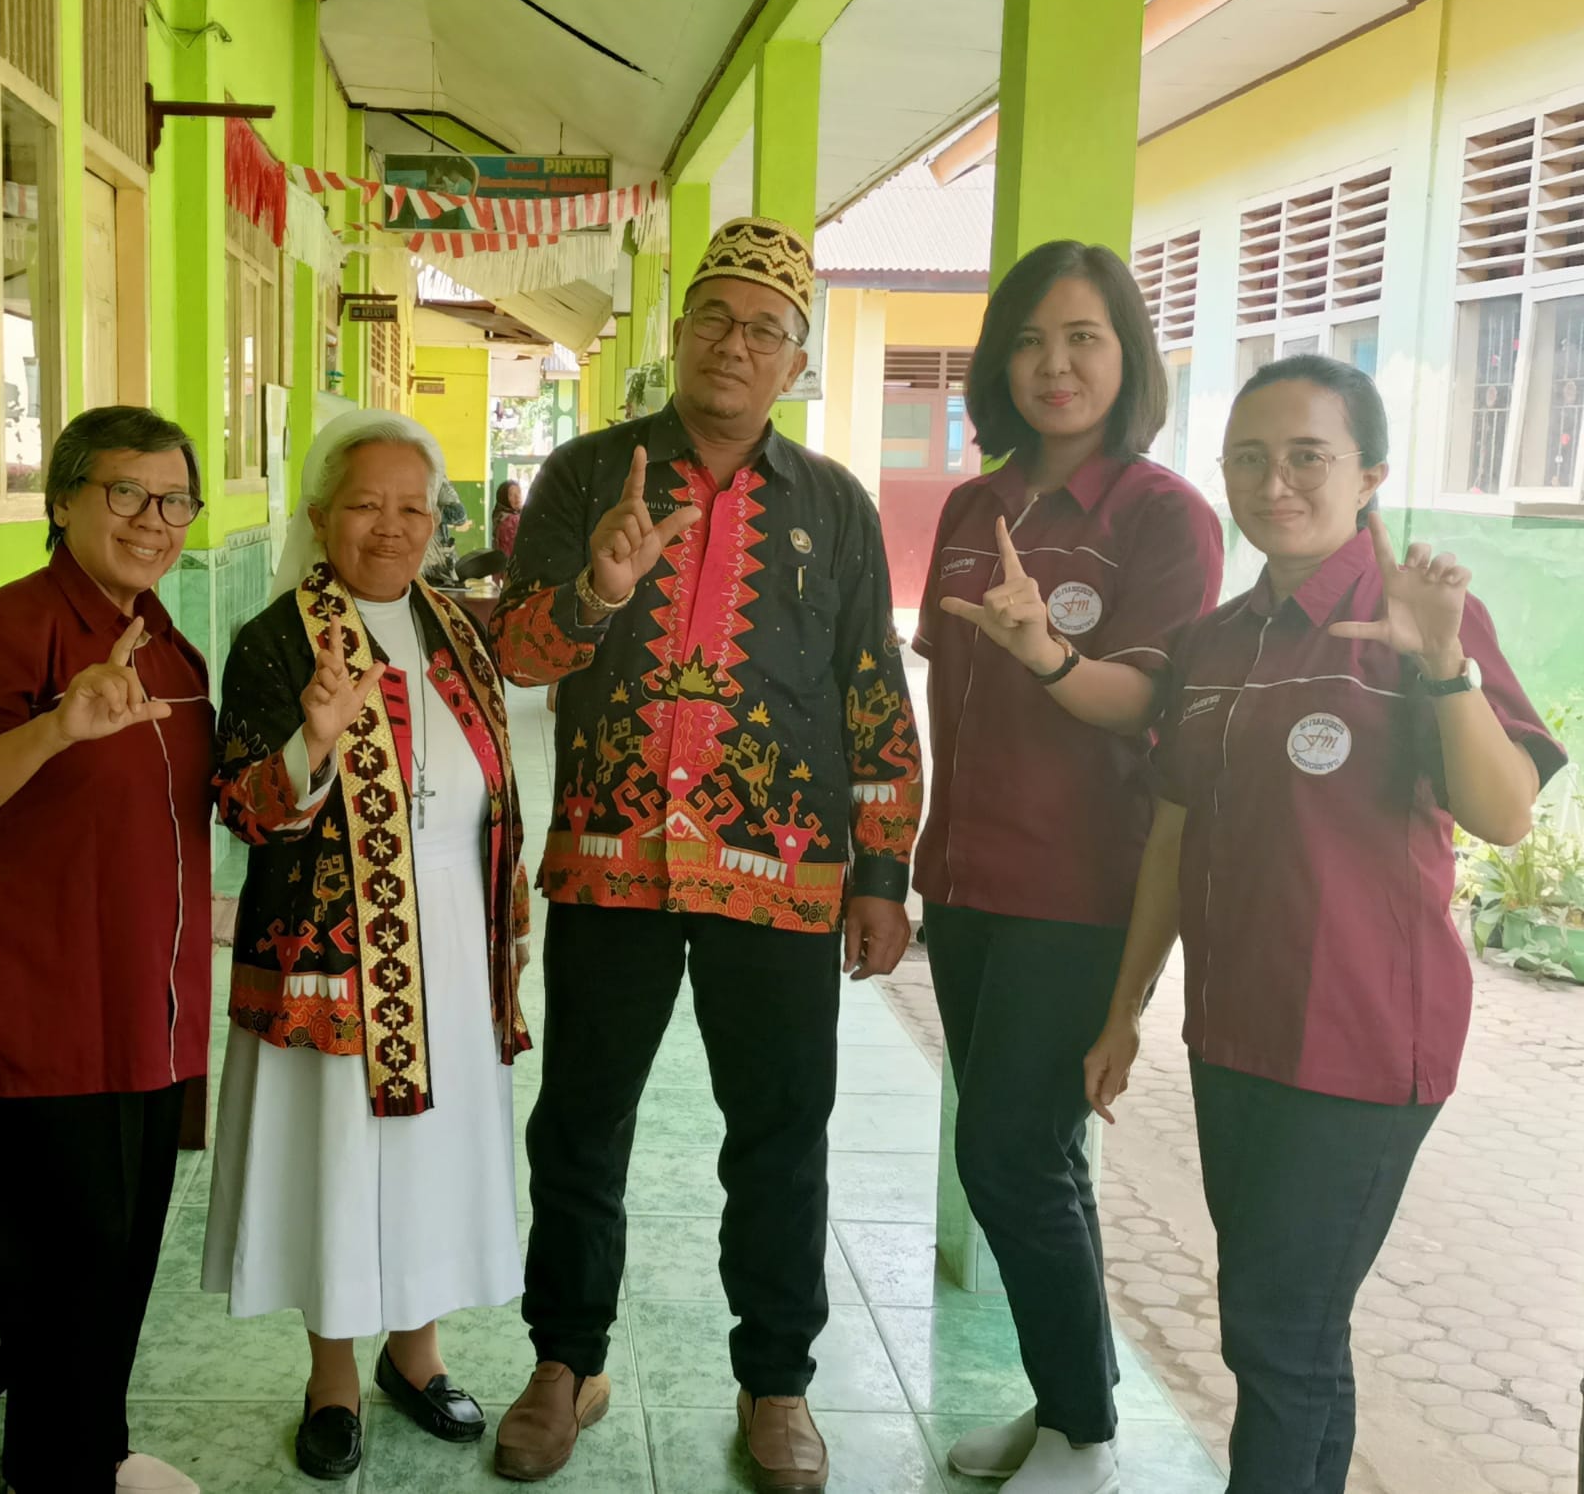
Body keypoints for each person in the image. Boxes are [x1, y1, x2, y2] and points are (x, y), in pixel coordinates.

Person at [488, 218, 921, 1491]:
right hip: (610, 857)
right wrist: (598, 590)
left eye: (764, 329)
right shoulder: (586, 475)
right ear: (677, 334)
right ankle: (563, 1362)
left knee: (780, 1137)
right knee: (580, 1124)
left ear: (796, 360)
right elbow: (517, 652)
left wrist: (884, 872)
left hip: (779, 873)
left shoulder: (835, 507)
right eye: (714, 319)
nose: (735, 345)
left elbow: (872, 692)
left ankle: (776, 1382)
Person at [1084, 356, 1566, 1494]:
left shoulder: (1421, 623)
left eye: (1308, 455)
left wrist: (1442, 665)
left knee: (1278, 1333)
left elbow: (1503, 813)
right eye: (1249, 458)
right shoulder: (1213, 642)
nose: (1276, 482)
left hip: (1360, 1043)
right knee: (1287, 1329)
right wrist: (1124, 1011)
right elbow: (1173, 838)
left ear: (1370, 476)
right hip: (1234, 1035)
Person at [913, 241, 1223, 1494]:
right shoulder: (971, 508)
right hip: (963, 880)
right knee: (1033, 1154)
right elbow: (945, 695)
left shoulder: (1161, 515)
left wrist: (1045, 652)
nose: (1055, 364)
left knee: (1004, 1154)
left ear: (1126, 356)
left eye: (1084, 337)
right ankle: (1067, 1407)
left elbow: (1146, 698)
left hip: (1076, 888)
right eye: (1031, 340)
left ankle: (1082, 1437)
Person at [201, 410, 532, 1481]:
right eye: (364, 505)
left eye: (412, 507)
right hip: (332, 954)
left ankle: (416, 1356)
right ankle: (333, 1378)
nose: (390, 527)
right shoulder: (274, 640)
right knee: (337, 1160)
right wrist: (312, 740)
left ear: (438, 521)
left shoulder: (458, 629)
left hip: (453, 938)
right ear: (318, 516)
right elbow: (242, 807)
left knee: (434, 1154)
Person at [0, 407, 212, 1494]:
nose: (152, 519)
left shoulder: (170, 643)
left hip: (149, 1016)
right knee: (59, 1281)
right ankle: (65, 1473)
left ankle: (88, 1456)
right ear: (63, 498)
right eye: (126, 493)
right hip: (44, 1018)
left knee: (119, 1266)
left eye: (174, 500)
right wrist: (56, 728)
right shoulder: (10, 628)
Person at [493, 479, 523, 558]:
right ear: (504, 498)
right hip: (513, 563)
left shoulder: (499, 514)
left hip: (501, 562)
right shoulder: (512, 520)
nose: (517, 497)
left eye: (519, 492)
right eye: (511, 494)